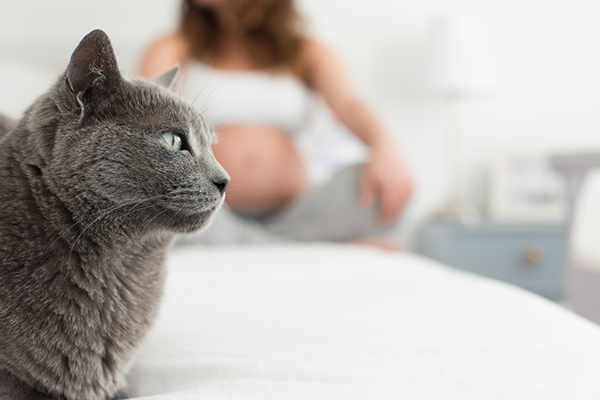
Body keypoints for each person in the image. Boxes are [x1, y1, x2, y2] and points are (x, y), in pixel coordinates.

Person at [139, 0, 412, 244]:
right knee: (149, 205)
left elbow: (349, 104)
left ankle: (250, 244)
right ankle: (289, 245)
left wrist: (385, 149)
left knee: (374, 186)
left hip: (298, 211)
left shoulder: (306, 51)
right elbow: (146, 117)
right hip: (208, 211)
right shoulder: (173, 46)